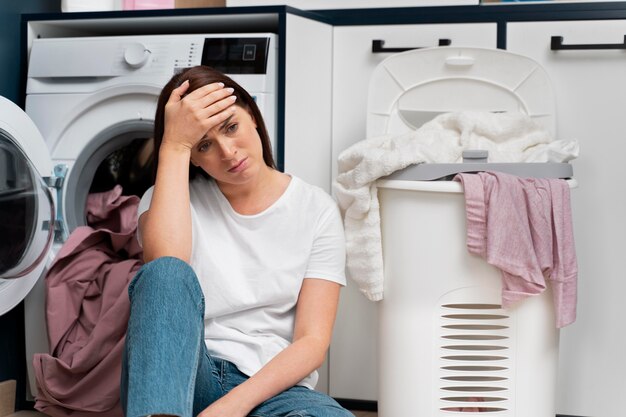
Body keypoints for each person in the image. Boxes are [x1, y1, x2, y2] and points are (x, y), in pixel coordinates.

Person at [120, 65, 351, 417]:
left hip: (273, 387)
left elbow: (312, 342)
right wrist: (175, 144)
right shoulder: (169, 198)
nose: (228, 152)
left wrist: (231, 407)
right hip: (183, 376)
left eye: (231, 127)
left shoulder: (316, 209)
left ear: (253, 116)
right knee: (165, 272)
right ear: (193, 157)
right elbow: (165, 272)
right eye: (204, 145)